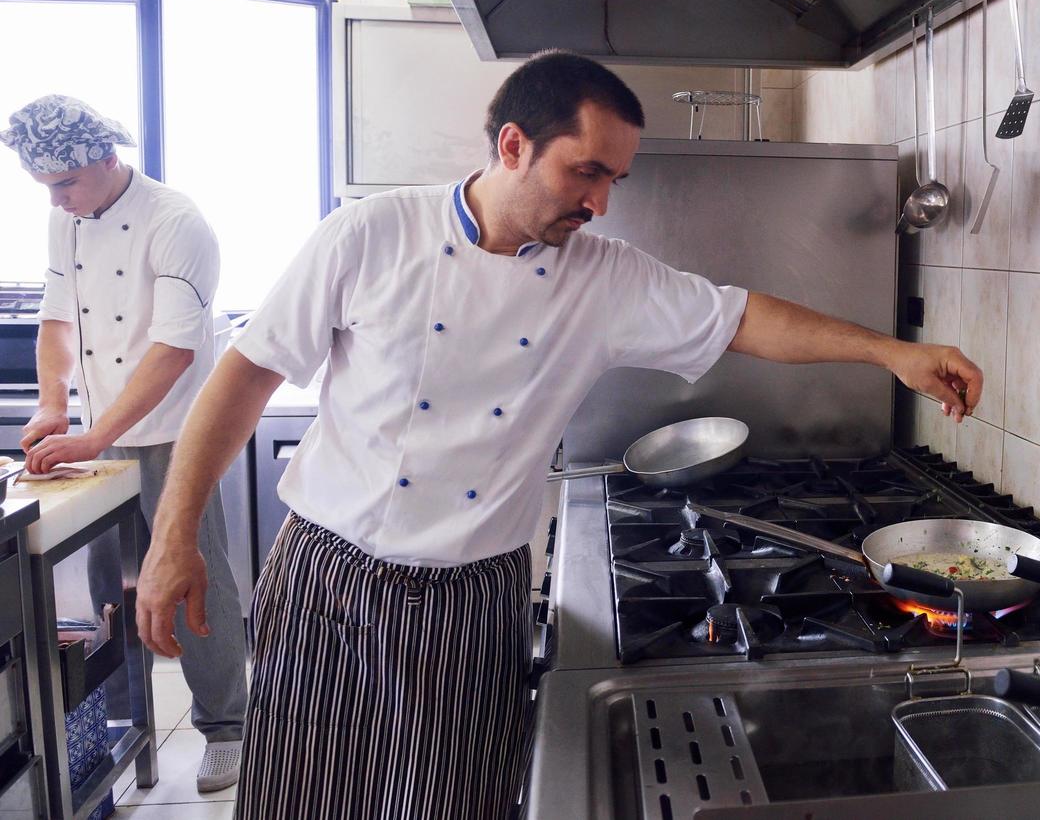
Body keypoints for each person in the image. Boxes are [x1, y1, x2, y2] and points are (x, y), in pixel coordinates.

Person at [134, 52, 982, 819]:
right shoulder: (369, 235)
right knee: (300, 795)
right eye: (586, 172)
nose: (601, 202)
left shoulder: (603, 278)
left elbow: (745, 319)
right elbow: (240, 379)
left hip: (472, 596)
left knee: (450, 806)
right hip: (331, 574)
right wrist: (174, 537)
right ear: (512, 145)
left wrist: (889, 351)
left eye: (614, 178)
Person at [2, 94, 251, 793]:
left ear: (107, 160)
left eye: (63, 185)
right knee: (110, 589)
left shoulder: (178, 222)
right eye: (47, 190)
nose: (56, 202)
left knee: (194, 576)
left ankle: (226, 727)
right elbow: (55, 319)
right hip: (101, 431)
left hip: (178, 430)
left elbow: (173, 348)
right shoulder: (68, 219)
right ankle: (116, 727)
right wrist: (55, 405)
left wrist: (96, 435)